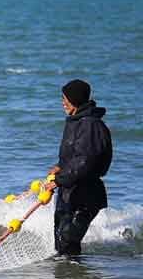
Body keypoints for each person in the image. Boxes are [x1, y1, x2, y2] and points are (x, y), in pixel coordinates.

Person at [43, 79, 112, 257]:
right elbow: (74, 157)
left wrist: (59, 180)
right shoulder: (75, 121)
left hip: (86, 195)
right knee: (61, 242)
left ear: (75, 99)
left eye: (65, 98)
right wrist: (60, 167)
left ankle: (73, 277)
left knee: (68, 238)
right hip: (69, 191)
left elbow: (85, 161)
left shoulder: (90, 125)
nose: (62, 102)